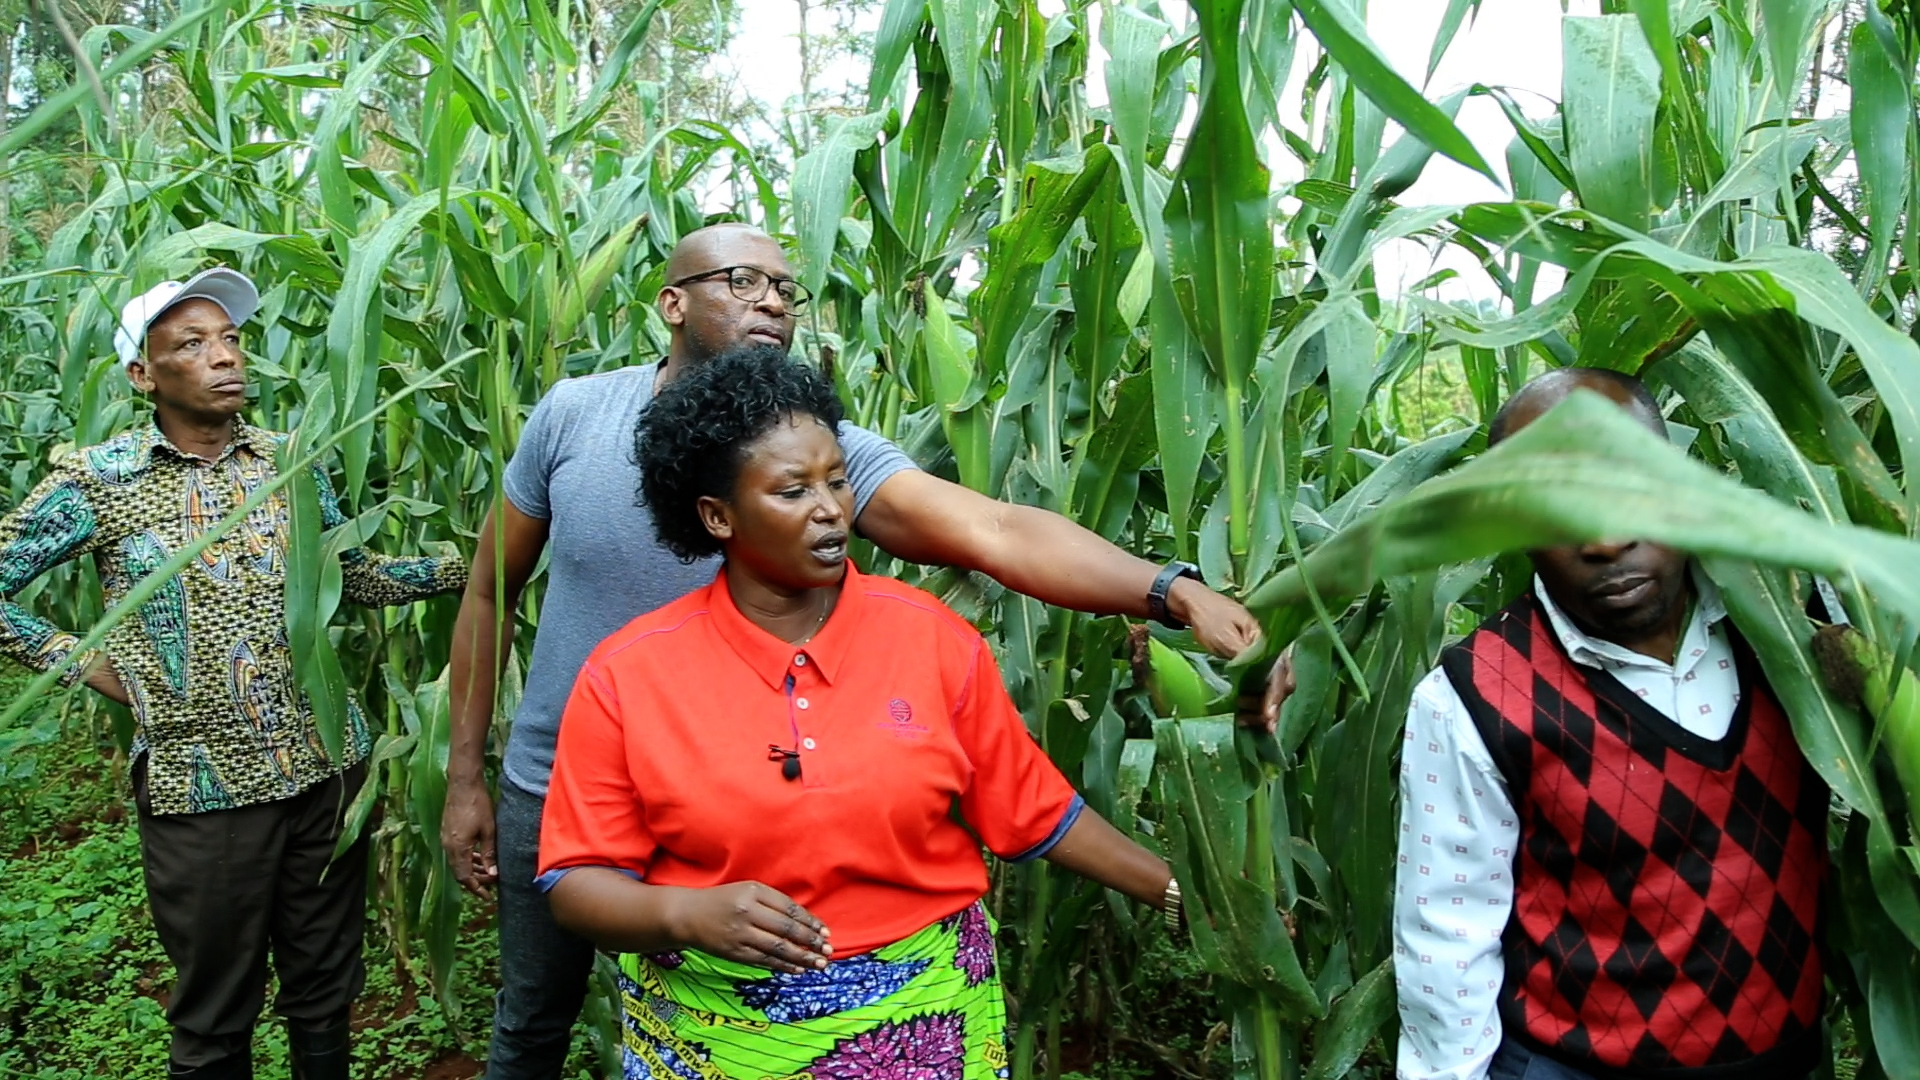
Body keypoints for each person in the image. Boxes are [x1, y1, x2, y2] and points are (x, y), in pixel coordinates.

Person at [443, 222, 1263, 1077]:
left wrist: (1170, 589)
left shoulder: (828, 456)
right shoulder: (574, 420)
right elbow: (489, 590)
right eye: (743, 280)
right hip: (563, 780)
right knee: (533, 1023)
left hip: (816, 822)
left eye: (785, 288)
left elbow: (998, 531)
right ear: (673, 303)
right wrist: (465, 775)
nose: (772, 301)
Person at [535, 344, 1183, 1076]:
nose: (830, 510)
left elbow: (1033, 809)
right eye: (792, 491)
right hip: (718, 1036)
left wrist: (1177, 891)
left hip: (928, 1024)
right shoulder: (630, 673)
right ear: (718, 516)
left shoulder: (929, 637)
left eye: (837, 481)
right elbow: (577, 882)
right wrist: (683, 914)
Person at [0, 268, 468, 1080]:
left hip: (324, 769)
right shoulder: (99, 482)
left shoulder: (290, 460)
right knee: (216, 1014)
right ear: (143, 376)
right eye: (192, 344)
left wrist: (475, 564)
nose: (224, 357)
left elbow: (351, 577)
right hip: (202, 791)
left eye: (230, 339)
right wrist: (81, 661)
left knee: (325, 993)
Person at [1392, 368, 1826, 1080]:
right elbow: (1447, 941)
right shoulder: (1471, 699)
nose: (1605, 538)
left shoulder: (1795, 628)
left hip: (1786, 1053)